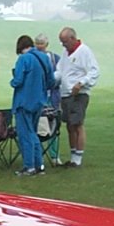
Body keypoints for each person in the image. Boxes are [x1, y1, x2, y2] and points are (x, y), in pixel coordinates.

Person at [54, 27, 100, 167]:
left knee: (77, 124)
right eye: (62, 42)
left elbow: (94, 71)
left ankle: (78, 158)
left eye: (65, 41)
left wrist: (81, 83)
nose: (63, 45)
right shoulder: (65, 53)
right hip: (66, 93)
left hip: (79, 94)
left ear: (73, 38)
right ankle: (73, 155)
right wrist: (51, 80)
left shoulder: (84, 51)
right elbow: (60, 71)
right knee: (69, 125)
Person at [10, 35, 55, 176]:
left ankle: (29, 166)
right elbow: (51, 81)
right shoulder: (44, 58)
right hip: (39, 101)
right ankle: (39, 165)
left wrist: (12, 82)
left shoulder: (23, 59)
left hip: (23, 101)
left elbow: (17, 81)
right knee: (33, 133)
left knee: (25, 134)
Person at [35, 33, 62, 165]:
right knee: (38, 127)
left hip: (52, 97)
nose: (40, 46)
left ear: (47, 44)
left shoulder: (54, 58)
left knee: (53, 126)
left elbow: (60, 75)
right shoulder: (32, 58)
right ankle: (38, 156)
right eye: (38, 43)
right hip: (38, 98)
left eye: (42, 43)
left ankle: (54, 156)